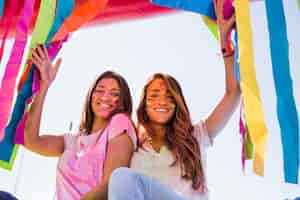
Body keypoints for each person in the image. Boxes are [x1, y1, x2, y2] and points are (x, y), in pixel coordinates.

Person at [108, 0, 240, 199]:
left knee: (122, 178)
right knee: (120, 179)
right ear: (144, 106)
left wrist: (225, 45)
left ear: (177, 104)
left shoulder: (197, 135)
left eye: (169, 96)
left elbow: (233, 93)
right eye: (154, 96)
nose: (162, 101)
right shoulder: (134, 146)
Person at [24, 46, 137, 200]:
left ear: (122, 102)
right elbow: (31, 141)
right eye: (100, 90)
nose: (105, 97)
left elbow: (111, 186)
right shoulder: (72, 141)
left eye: (114, 93)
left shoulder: (120, 123)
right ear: (91, 96)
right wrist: (44, 85)